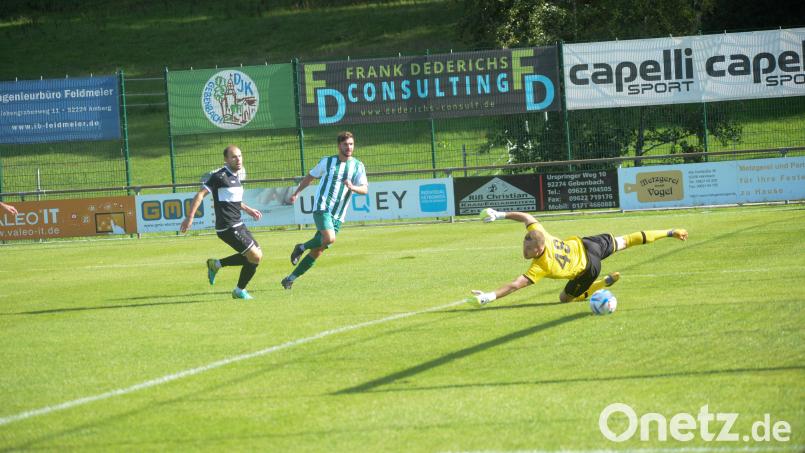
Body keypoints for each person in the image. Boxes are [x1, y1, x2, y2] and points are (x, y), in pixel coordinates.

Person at [469, 208, 688, 305]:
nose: (524, 252)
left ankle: (600, 285)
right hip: (587, 244)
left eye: (527, 251)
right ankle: (670, 232)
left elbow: (516, 285)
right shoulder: (540, 234)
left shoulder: (541, 266)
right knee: (625, 241)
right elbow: (526, 217)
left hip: (588, 267)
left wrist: (489, 296)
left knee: (564, 299)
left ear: (537, 250)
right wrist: (498, 214)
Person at [281, 131, 368, 289]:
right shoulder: (327, 162)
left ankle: (290, 278)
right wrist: (296, 193)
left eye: (351, 144)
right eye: (345, 144)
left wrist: (352, 187)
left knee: (318, 251)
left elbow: (364, 189)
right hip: (322, 207)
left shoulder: (358, 166)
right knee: (329, 238)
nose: (349, 147)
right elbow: (310, 177)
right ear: (338, 146)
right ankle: (301, 247)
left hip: (338, 215)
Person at [180, 145, 263, 300]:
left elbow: (233, 200)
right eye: (233, 157)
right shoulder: (219, 177)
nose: (238, 159)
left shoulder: (237, 177)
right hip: (227, 227)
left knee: (258, 256)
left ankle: (216, 265)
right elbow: (200, 195)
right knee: (255, 257)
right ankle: (239, 291)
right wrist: (190, 217)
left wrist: (248, 209)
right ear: (226, 160)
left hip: (238, 224)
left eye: (239, 156)